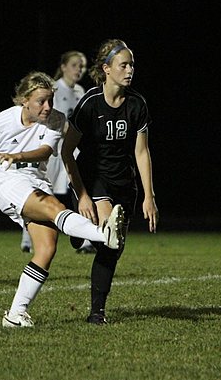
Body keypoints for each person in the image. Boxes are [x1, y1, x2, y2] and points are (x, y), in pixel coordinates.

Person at [0, 71, 125, 328]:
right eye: (41, 101)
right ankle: (103, 235)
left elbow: (45, 151)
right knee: (54, 208)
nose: (48, 107)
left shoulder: (54, 119)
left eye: (50, 100)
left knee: (47, 248)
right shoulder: (3, 121)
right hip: (8, 180)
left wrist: (18, 156)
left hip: (35, 180)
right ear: (24, 101)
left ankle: (15, 314)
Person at [61, 39, 159, 325]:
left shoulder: (137, 104)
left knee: (112, 249)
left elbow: (141, 152)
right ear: (106, 69)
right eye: (123, 65)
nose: (130, 70)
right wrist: (81, 194)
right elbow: (67, 151)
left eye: (132, 65)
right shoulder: (90, 104)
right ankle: (79, 220)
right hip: (94, 178)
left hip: (124, 183)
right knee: (108, 233)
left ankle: (96, 310)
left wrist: (149, 196)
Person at [19, 50, 96, 254]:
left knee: (79, 191)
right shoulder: (54, 90)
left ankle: (85, 239)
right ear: (63, 67)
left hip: (72, 150)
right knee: (41, 191)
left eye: (82, 66)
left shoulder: (80, 91)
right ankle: (27, 238)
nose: (79, 69)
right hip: (51, 149)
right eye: (74, 65)